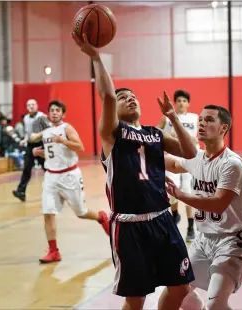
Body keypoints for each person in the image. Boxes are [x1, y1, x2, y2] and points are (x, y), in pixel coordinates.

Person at [72, 32, 198, 310]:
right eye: (123, 98)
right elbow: (106, 94)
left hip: (163, 220)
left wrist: (172, 117)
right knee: (136, 298)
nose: (130, 99)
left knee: (181, 288)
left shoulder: (155, 134)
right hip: (130, 226)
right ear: (113, 111)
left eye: (133, 96)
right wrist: (95, 56)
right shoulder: (112, 134)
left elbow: (189, 152)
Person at [164, 104, 242, 310]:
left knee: (216, 304)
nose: (202, 123)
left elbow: (219, 204)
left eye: (209, 120)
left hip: (231, 242)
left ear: (223, 128)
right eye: (201, 119)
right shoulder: (197, 159)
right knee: (176, 291)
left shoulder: (231, 163)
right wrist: (139, 147)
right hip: (203, 241)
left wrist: (180, 195)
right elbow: (172, 163)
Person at [30, 100, 110, 263]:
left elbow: (80, 147)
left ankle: (101, 217)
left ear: (63, 114)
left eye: (57, 110)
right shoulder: (46, 132)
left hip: (69, 176)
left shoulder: (67, 128)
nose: (54, 113)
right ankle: (53, 250)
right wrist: (40, 153)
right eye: (51, 110)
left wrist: (64, 141)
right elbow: (54, 154)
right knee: (48, 212)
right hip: (51, 176)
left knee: (80, 212)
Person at [158, 89, 198, 241]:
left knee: (187, 191)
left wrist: (186, 137)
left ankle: (190, 226)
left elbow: (198, 137)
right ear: (174, 103)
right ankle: (175, 215)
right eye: (179, 100)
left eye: (184, 101)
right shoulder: (166, 118)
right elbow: (156, 132)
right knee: (171, 188)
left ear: (188, 104)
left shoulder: (195, 118)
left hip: (189, 158)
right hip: (171, 158)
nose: (181, 103)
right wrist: (168, 137)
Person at [12, 99, 45, 202]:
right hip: (30, 145)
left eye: (33, 104)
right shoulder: (26, 118)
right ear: (26, 107)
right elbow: (27, 132)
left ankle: (56, 190)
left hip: (40, 145)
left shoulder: (41, 116)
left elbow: (47, 130)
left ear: (37, 106)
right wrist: (25, 140)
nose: (31, 106)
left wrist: (39, 137)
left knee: (47, 168)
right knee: (26, 168)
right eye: (29, 105)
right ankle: (21, 191)